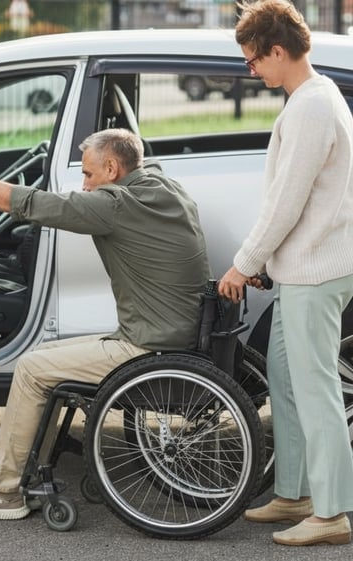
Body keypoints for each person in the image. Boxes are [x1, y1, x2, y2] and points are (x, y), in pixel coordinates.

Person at [0, 128, 210, 520]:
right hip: (175, 331)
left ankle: (2, 493)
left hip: (148, 345)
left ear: (112, 168)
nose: (84, 185)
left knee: (31, 367)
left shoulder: (115, 204)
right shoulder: (161, 185)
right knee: (43, 357)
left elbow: (25, 203)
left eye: (89, 174)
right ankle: (26, 474)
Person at [218, 0, 353, 547]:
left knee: (314, 386)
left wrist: (244, 263)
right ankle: (295, 491)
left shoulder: (311, 108)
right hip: (305, 267)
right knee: (286, 376)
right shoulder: (317, 100)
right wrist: (268, 264)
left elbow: (286, 203)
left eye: (253, 61)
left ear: (277, 50)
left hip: (315, 272)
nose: (252, 72)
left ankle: (333, 512)